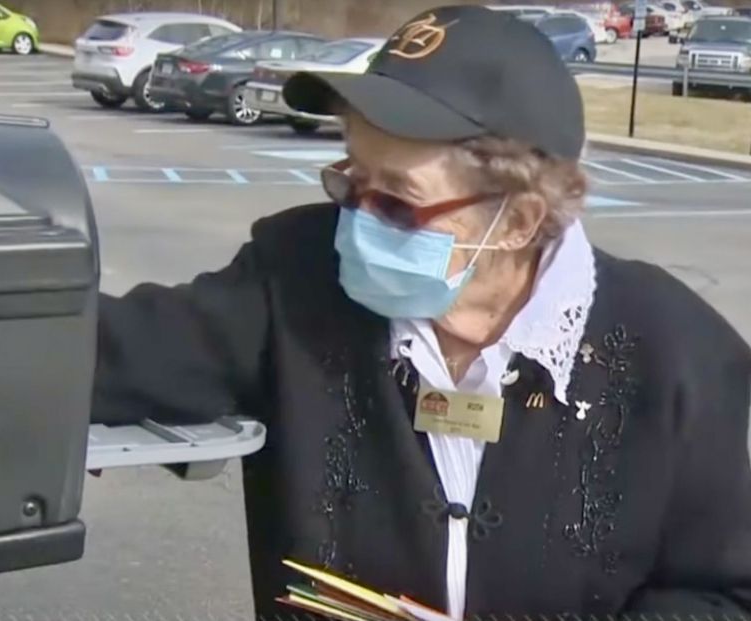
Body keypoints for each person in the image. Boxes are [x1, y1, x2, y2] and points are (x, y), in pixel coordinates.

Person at [92, 5, 751, 619]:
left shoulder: (675, 353)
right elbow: (104, 355)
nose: (356, 220)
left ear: (517, 221)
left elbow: (725, 592)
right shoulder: (294, 274)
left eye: (397, 202)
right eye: (352, 180)